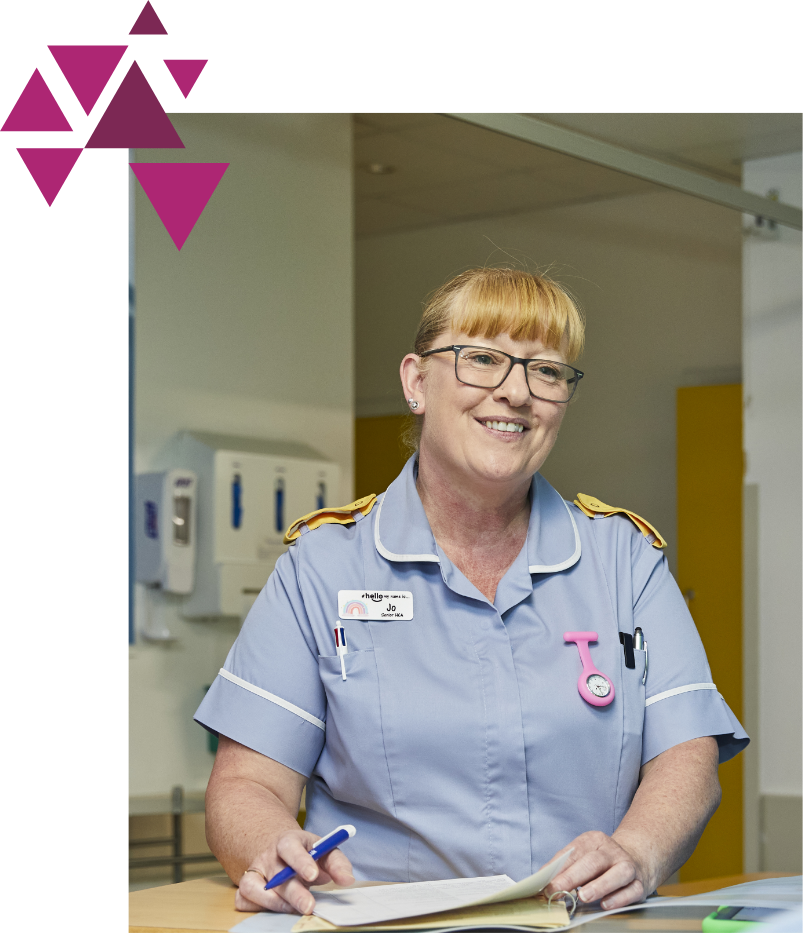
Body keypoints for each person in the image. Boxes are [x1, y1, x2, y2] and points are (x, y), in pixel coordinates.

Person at [195, 268, 748, 918]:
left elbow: (686, 752)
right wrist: (269, 845)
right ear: (414, 381)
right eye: (482, 358)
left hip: (579, 924)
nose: (515, 391)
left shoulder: (623, 560)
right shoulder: (322, 569)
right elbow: (245, 783)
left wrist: (638, 850)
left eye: (546, 371)